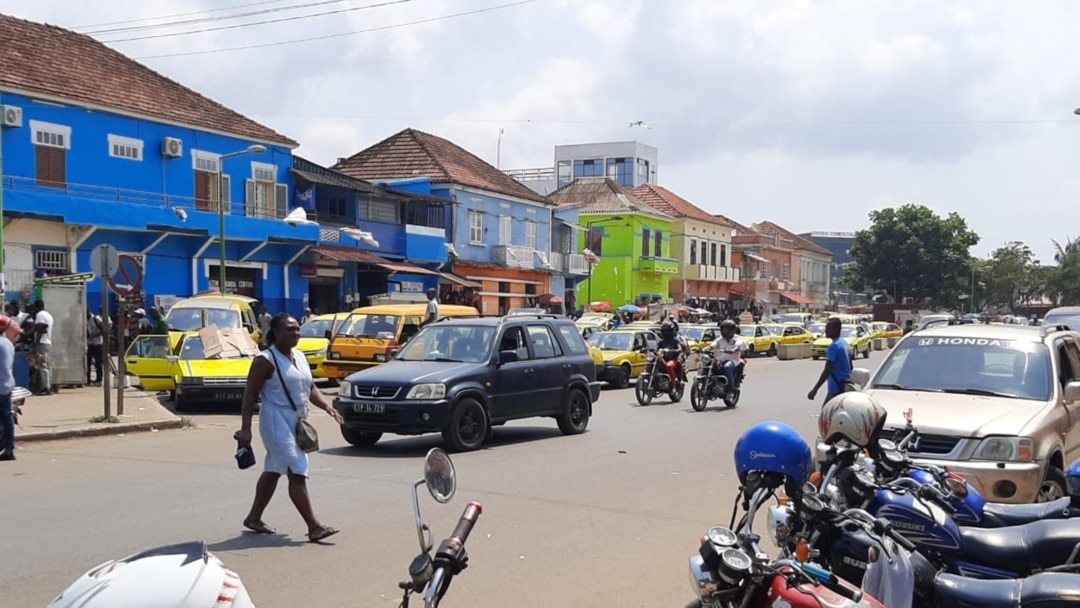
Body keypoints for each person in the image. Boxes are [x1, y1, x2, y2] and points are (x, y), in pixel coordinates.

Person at [237, 313, 344, 542]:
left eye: (297, 329)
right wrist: (245, 429)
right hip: (275, 420)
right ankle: (314, 526)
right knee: (297, 468)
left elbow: (310, 386)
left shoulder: (299, 356)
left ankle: (253, 518)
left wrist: (327, 406)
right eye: (289, 330)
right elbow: (249, 396)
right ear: (275, 333)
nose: (296, 333)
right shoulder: (265, 360)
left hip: (296, 418)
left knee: (275, 469)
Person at [807, 318, 852, 404]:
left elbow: (827, 370)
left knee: (827, 415)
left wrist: (815, 390)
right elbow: (850, 365)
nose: (826, 331)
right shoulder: (844, 343)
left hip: (836, 388)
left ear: (837, 329)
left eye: (829, 328)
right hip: (845, 385)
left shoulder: (833, 346)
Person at [0, 315, 19, 460]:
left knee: (6, 417)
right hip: (7, 384)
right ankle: (9, 448)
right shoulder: (8, 343)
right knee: (7, 418)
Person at [708, 320, 748, 390]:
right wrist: (705, 349)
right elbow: (713, 345)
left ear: (732, 330)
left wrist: (733, 350)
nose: (724, 331)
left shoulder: (738, 339)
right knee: (708, 365)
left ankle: (730, 390)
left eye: (726, 330)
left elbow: (738, 346)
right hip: (720, 359)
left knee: (727, 367)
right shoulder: (720, 339)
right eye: (723, 329)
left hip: (733, 360)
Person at [657, 320, 688, 388]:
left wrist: (672, 351)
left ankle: (673, 386)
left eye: (668, 331)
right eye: (665, 331)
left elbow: (680, 349)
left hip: (673, 359)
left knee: (669, 366)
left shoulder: (676, 340)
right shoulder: (661, 342)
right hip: (663, 359)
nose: (666, 333)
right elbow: (657, 349)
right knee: (650, 363)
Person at [32, 300, 54, 396]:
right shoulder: (48, 315)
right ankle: (48, 386)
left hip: (42, 342)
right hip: (47, 342)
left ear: (37, 307)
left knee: (42, 366)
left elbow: (41, 329)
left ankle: (45, 388)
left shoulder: (40, 315)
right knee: (46, 366)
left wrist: (36, 343)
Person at [86, 308, 104, 386]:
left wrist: (92, 335)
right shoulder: (83, 319)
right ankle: (87, 380)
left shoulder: (95, 319)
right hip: (88, 344)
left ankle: (99, 380)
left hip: (97, 344)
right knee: (87, 363)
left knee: (98, 363)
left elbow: (103, 330)